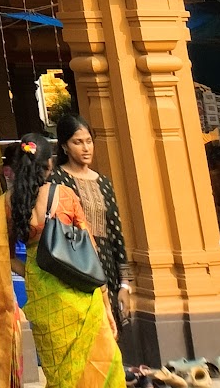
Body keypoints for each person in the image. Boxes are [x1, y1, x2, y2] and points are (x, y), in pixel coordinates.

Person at [12, 132, 124, 388]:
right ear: (49, 163)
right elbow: (90, 248)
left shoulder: (10, 204)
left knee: (60, 373)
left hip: (43, 302)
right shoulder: (64, 195)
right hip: (79, 295)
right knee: (102, 363)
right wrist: (106, 304)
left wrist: (33, 272)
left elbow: (5, 256)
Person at [53, 114, 131, 334]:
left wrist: (125, 283)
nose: (86, 148)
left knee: (111, 334)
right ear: (65, 146)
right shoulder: (57, 180)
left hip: (106, 267)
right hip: (75, 268)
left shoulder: (103, 182)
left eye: (89, 141)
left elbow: (116, 232)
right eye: (78, 142)